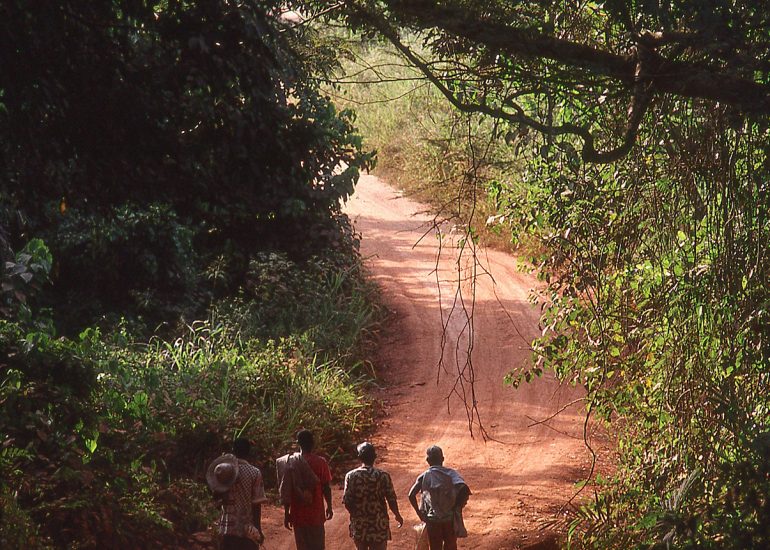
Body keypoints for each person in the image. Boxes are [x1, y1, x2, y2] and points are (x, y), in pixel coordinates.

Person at [206, 438, 268, 550]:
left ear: (233, 451)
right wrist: (258, 528)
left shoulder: (224, 471)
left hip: (226, 529)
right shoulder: (254, 472)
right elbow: (256, 504)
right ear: (249, 452)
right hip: (247, 531)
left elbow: (216, 497)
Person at [276, 429, 333, 550]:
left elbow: (286, 490)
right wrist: (330, 506)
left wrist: (287, 513)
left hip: (298, 515)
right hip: (316, 514)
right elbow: (326, 487)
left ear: (298, 444)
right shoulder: (321, 462)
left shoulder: (290, 463)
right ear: (313, 443)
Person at [343, 442, 404, 549]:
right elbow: (391, 499)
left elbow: (347, 500)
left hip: (360, 525)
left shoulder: (351, 476)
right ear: (375, 457)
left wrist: (356, 515)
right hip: (379, 524)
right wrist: (397, 515)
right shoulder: (383, 476)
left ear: (359, 457)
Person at [408, 445, 471, 550]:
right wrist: (457, 506)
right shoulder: (451, 473)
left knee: (435, 547)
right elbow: (464, 488)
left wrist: (420, 514)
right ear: (442, 459)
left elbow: (411, 495)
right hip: (449, 519)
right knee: (450, 546)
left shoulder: (424, 476)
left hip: (432, 520)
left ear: (427, 460)